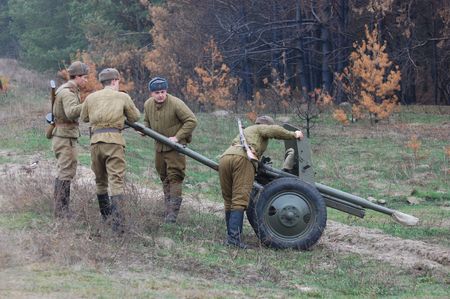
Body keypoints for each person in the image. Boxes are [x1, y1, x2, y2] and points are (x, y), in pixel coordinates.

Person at [218, 115, 304, 248]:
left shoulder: (248, 131)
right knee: (240, 200)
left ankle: (230, 237)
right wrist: (294, 134)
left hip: (225, 157)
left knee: (229, 199)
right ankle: (234, 240)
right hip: (243, 158)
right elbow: (274, 130)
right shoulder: (261, 128)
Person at [80, 68, 140, 231]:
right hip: (114, 141)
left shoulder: (91, 97)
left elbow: (84, 117)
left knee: (100, 181)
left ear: (102, 82)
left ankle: (106, 218)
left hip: (95, 142)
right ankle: (118, 226)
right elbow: (135, 117)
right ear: (114, 81)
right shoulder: (122, 96)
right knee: (116, 181)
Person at [143, 77, 197, 223]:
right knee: (164, 178)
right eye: (156, 92)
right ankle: (167, 210)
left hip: (175, 148)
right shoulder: (148, 104)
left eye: (162, 92)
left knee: (175, 178)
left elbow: (191, 120)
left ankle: (172, 215)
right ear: (151, 94)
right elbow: (146, 121)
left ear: (166, 91)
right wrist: (144, 130)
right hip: (159, 148)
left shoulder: (176, 103)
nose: (160, 95)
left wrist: (177, 137)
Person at [51, 61, 89, 218]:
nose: (86, 80)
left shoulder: (70, 90)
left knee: (66, 171)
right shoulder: (67, 92)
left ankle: (61, 209)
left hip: (66, 135)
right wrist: (89, 103)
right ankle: (62, 211)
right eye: (85, 77)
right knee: (65, 172)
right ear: (78, 76)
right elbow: (71, 113)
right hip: (64, 136)